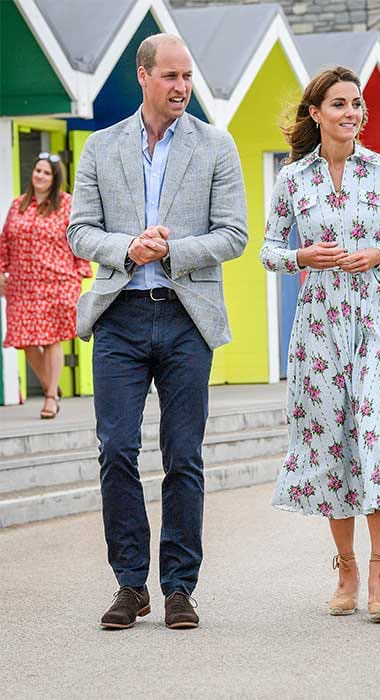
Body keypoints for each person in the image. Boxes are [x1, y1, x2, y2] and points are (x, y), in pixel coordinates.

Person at [68, 33, 247, 630]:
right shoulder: (99, 147)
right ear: (143, 76)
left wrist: (170, 251)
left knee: (183, 455)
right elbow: (80, 231)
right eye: (170, 76)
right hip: (119, 317)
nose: (181, 87)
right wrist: (127, 248)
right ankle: (129, 585)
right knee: (116, 449)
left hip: (184, 316)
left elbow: (234, 234)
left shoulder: (216, 147)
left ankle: (177, 588)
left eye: (187, 77)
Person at [260, 66, 380, 622]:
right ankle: (345, 568)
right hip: (319, 322)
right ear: (316, 113)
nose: (351, 113)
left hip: (376, 317)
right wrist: (303, 258)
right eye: (339, 104)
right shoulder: (293, 180)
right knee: (332, 442)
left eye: (357, 105)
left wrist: (379, 255)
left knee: (375, 434)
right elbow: (269, 251)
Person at [0, 154, 92, 418]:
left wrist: (79, 273)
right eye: (37, 171)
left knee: (51, 339)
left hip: (57, 281)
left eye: (46, 173)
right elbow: (5, 239)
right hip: (21, 284)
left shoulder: (66, 204)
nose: (40, 176)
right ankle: (50, 383)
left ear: (55, 178)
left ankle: (50, 397)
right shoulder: (19, 204)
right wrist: (1, 272)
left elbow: (79, 239)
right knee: (26, 340)